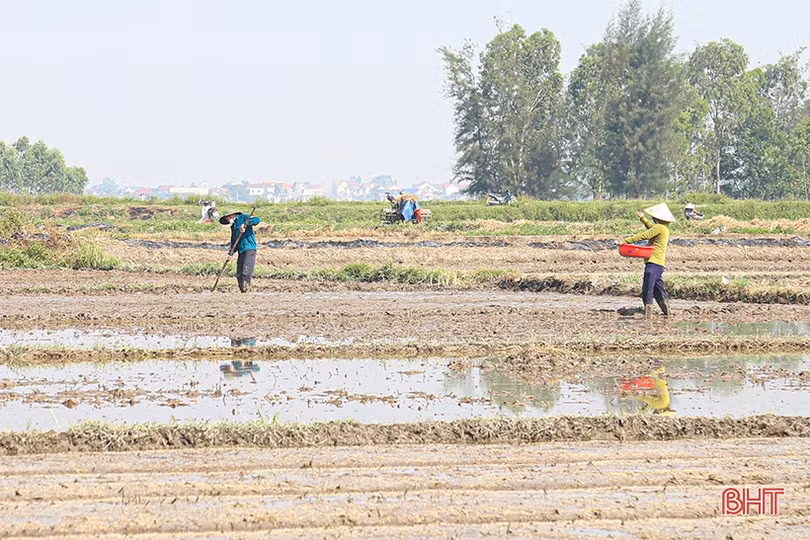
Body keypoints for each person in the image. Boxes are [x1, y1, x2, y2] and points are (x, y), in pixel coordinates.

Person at [622, 202, 675, 318]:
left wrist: (627, 241)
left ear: (657, 218)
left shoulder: (659, 228)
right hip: (659, 264)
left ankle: (648, 314)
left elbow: (645, 235)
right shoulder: (664, 228)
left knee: (647, 288)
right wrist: (643, 219)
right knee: (658, 289)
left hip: (652, 263)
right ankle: (667, 312)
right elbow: (651, 228)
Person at [219, 211, 261, 293]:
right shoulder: (233, 226)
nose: (227, 220)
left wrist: (245, 224)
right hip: (241, 250)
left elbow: (257, 220)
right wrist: (231, 253)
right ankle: (242, 290)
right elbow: (234, 241)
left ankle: (246, 289)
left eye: (227, 217)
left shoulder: (243, 217)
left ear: (232, 215)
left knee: (246, 271)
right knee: (239, 273)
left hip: (249, 248)